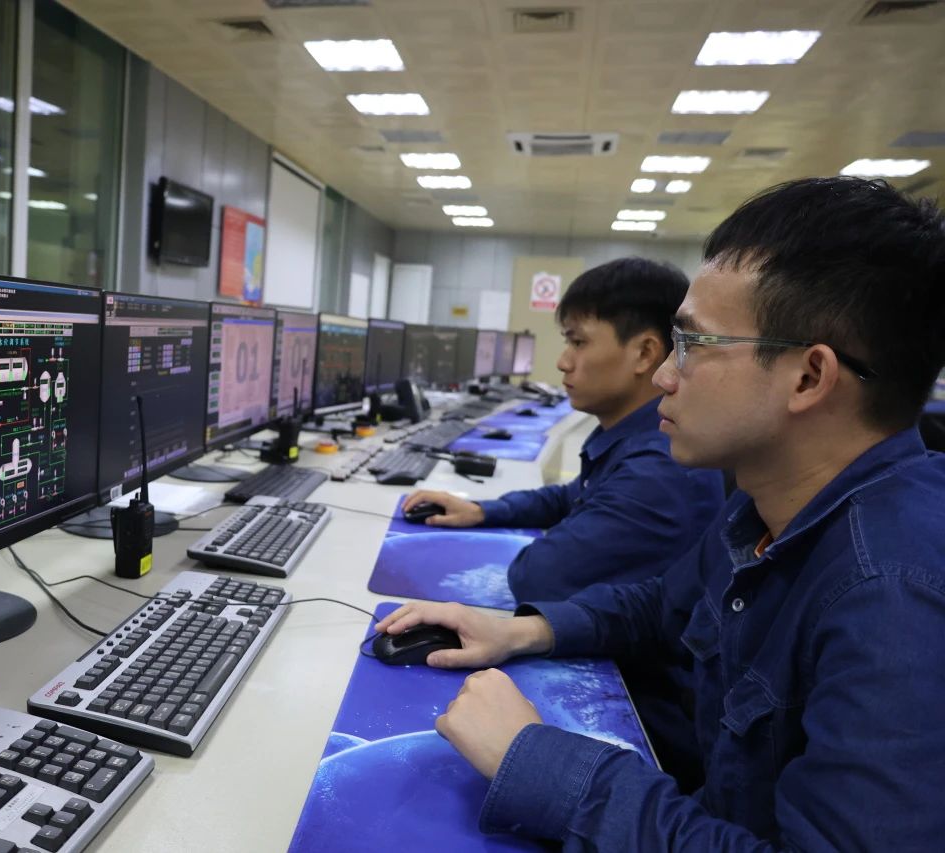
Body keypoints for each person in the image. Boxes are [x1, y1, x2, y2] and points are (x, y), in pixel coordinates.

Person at [376, 176, 945, 850]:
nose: (665, 376)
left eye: (693, 346)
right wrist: (520, 631)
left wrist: (540, 760)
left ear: (808, 377)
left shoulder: (894, 594)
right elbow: (662, 606)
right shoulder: (769, 507)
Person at [402, 256, 726, 604]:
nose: (563, 361)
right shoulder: (637, 437)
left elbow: (537, 577)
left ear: (644, 353)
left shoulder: (656, 470)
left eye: (578, 342)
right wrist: (482, 511)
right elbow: (570, 496)